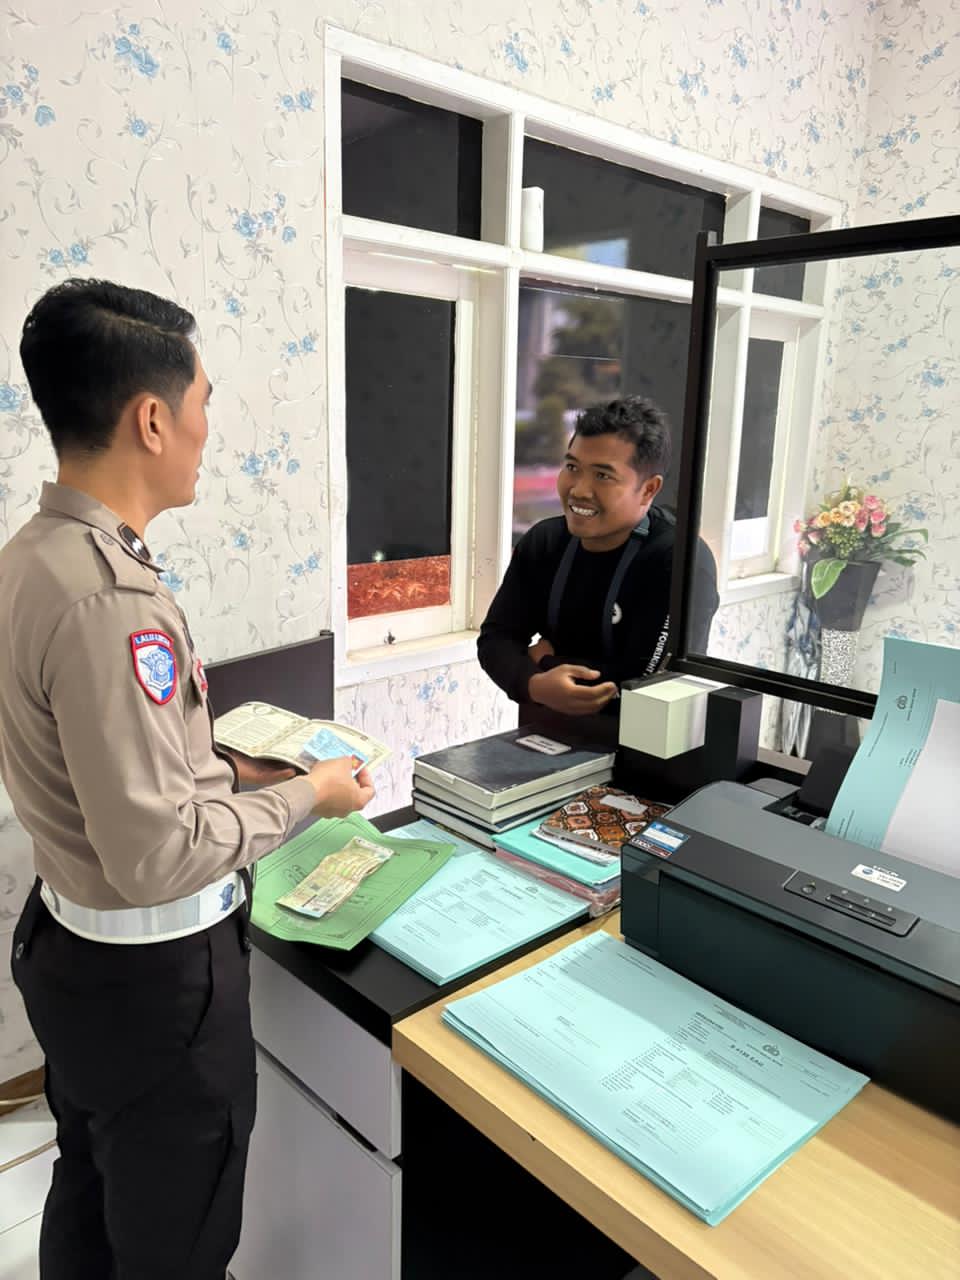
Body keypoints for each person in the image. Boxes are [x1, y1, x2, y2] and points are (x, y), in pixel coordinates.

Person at [0, 279, 375, 1279]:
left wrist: (242, 766)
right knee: (179, 1239)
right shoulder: (112, 601)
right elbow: (156, 849)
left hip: (69, 955)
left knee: (88, 1181)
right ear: (152, 416)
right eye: (204, 399)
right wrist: (310, 796)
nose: (210, 427)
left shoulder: (34, 557)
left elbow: (125, 759)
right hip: (154, 986)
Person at [478, 396, 719, 717]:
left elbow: (650, 683)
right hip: (546, 724)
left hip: (645, 745)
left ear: (648, 489)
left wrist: (545, 661)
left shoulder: (678, 561)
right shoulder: (545, 541)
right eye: (572, 467)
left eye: (602, 476)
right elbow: (496, 640)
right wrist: (535, 685)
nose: (579, 489)